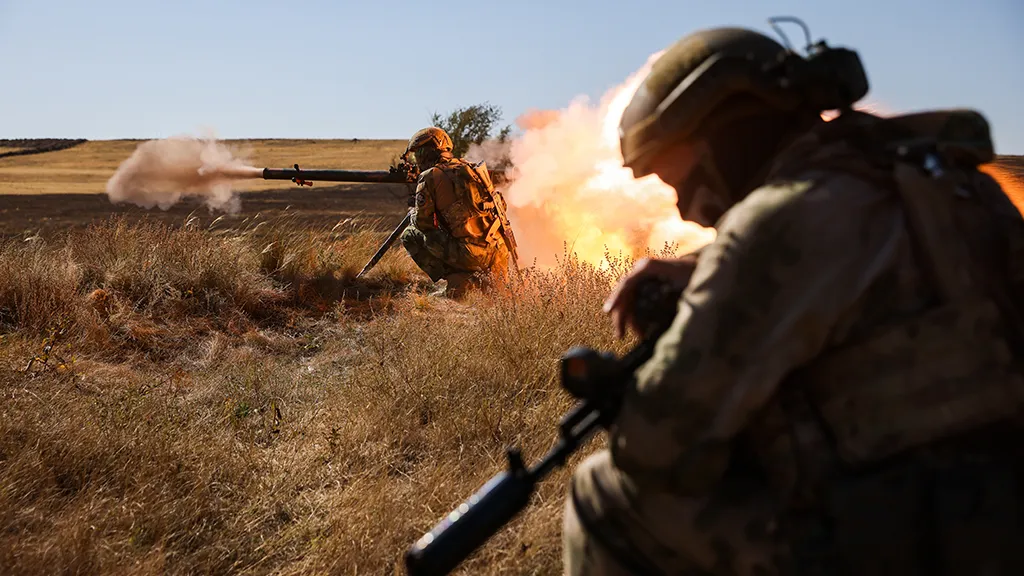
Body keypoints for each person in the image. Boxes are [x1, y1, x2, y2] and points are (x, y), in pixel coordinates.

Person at [563, 24, 1024, 575]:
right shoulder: (945, 182)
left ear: (720, 137)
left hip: (907, 541)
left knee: (603, 493)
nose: (684, 207)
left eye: (675, 177)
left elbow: (659, 447)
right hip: (1003, 510)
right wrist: (708, 269)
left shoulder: (776, 225)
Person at [399, 126, 518, 298]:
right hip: (498, 252)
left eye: (418, 154)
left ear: (426, 153)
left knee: (410, 235)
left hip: (471, 255)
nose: (417, 160)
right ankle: (483, 281)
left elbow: (423, 223)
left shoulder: (430, 176)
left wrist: (415, 211)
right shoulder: (471, 168)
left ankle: (458, 281)